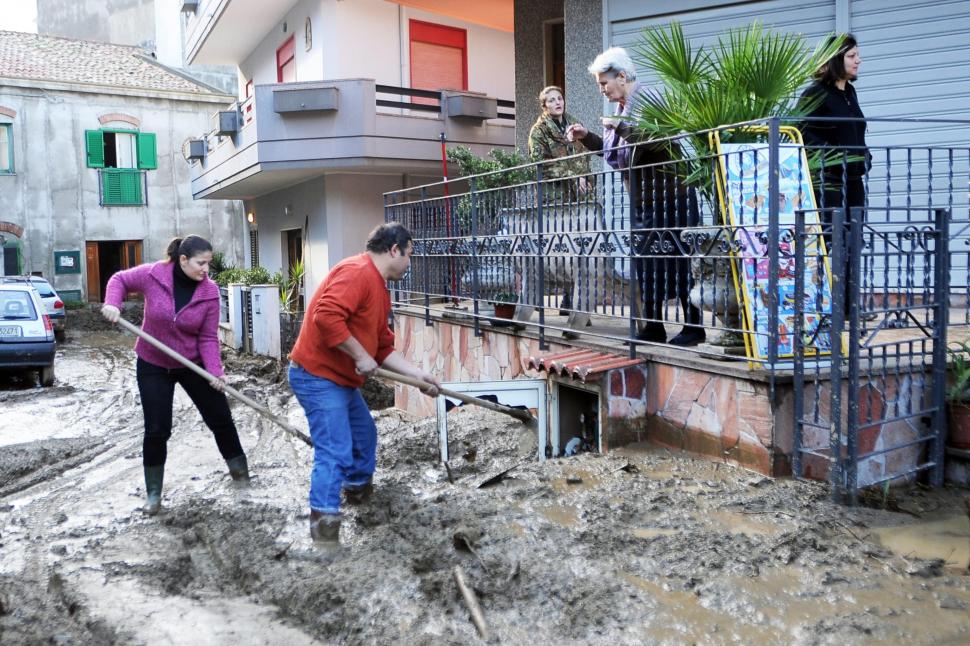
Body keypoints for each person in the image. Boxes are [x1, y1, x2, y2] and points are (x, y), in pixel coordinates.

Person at [288, 222, 440, 545]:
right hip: (316, 375)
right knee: (335, 449)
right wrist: (359, 355)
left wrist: (417, 377)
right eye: (409, 255)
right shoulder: (357, 273)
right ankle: (325, 532)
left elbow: (382, 349)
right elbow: (326, 316)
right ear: (394, 249)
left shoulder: (380, 288)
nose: (410, 264)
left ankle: (357, 494)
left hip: (340, 379)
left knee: (364, 436)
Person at [101, 235, 250, 516]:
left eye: (208, 263)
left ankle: (242, 479)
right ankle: (154, 495)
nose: (206, 269)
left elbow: (208, 337)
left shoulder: (209, 292)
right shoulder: (152, 275)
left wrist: (215, 372)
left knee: (221, 418)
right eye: (200, 263)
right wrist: (113, 304)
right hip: (153, 363)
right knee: (157, 429)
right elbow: (119, 280)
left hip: (191, 362)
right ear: (183, 260)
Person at [567, 47, 705, 346]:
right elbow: (614, 153)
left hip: (672, 196)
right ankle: (652, 327)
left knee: (678, 262)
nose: (602, 89)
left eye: (604, 83)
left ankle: (694, 328)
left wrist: (621, 126)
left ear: (623, 75)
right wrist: (586, 136)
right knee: (646, 263)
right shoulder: (620, 110)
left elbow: (658, 139)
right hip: (645, 199)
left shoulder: (650, 98)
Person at [799, 34, 869, 310]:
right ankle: (827, 307)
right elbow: (801, 132)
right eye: (852, 56)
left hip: (853, 182)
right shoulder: (815, 93)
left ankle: (849, 309)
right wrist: (837, 155)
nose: (858, 61)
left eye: (857, 56)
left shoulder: (849, 93)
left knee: (853, 242)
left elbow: (856, 132)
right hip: (827, 184)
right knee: (831, 244)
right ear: (835, 59)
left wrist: (865, 156)